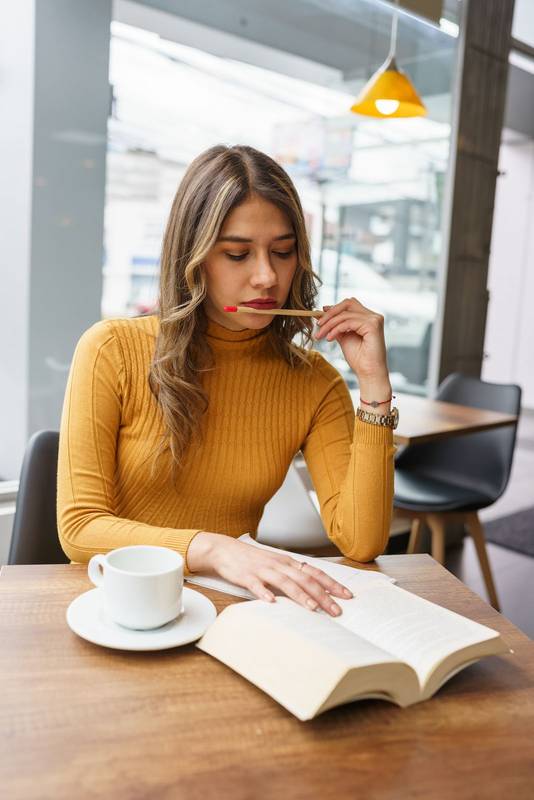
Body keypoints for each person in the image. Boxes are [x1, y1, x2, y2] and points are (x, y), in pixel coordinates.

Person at [57, 144, 397, 618]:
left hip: (231, 613)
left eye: (283, 251)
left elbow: (361, 541)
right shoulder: (111, 350)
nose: (266, 276)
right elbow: (80, 528)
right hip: (117, 610)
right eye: (238, 254)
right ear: (193, 258)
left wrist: (374, 387)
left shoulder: (314, 382)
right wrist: (215, 550)